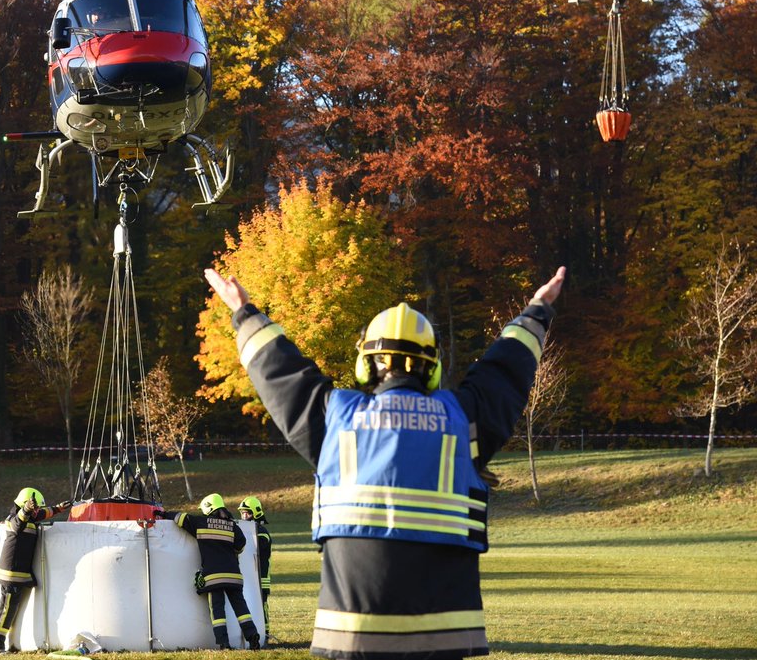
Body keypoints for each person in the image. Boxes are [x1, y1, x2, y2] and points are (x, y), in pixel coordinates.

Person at [204, 265, 566, 660]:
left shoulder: (336, 421)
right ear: (432, 365)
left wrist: (244, 312)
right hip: (445, 636)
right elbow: (505, 373)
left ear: (365, 362)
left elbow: (281, 373)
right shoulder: (464, 421)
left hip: (351, 634)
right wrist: (536, 311)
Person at [157, 494, 262, 650]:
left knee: (217, 611)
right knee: (241, 609)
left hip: (213, 577)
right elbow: (240, 545)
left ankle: (224, 643)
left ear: (207, 508)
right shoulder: (233, 526)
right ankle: (252, 637)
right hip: (234, 576)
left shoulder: (200, 523)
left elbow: (180, 518)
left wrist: (164, 513)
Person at [0, 487, 71, 655]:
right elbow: (19, 521)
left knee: (9, 609)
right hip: (11, 574)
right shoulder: (14, 519)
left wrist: (59, 508)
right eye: (35, 507)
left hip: (19, 574)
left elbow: (43, 513)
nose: (37, 511)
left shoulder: (32, 516)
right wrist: (26, 510)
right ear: (25, 505)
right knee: (6, 609)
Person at [238, 496, 273, 644]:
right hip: (248, 576)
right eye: (242, 513)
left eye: (247, 513)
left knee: (262, 605)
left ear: (256, 513)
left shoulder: (261, 532)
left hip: (262, 578)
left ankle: (265, 633)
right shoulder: (246, 530)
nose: (244, 516)